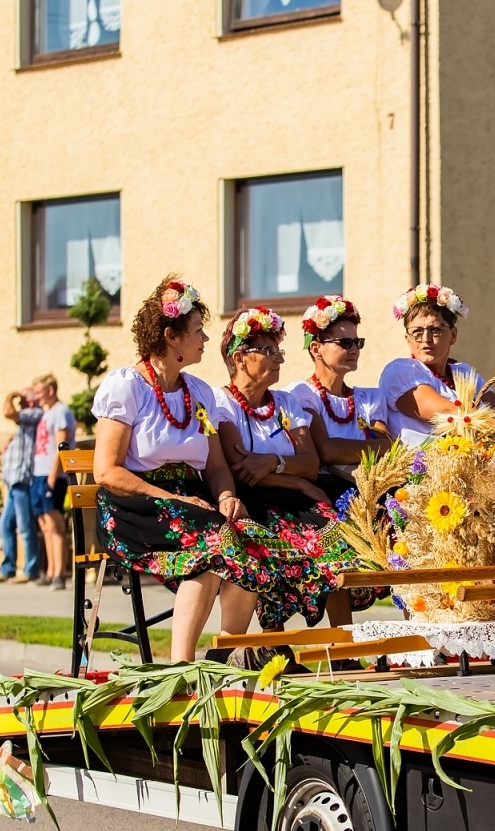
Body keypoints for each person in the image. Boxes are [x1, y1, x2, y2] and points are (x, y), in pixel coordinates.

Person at [90, 275, 311, 664]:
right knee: (212, 548)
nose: (205, 340)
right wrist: (173, 497)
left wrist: (227, 496)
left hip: (191, 503)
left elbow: (215, 466)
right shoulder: (127, 387)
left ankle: (228, 651)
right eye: (197, 331)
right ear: (171, 337)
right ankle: (181, 666)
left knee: (249, 538)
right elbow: (106, 472)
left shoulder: (200, 393)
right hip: (136, 504)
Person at [212, 305, 355, 631]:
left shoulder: (286, 405)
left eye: (279, 350)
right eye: (268, 351)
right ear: (240, 358)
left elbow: (309, 462)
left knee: (336, 539)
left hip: (292, 501)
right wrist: (302, 484)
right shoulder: (222, 404)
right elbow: (241, 471)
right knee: (268, 544)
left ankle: (343, 643)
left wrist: (272, 462)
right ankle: (271, 643)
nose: (279, 359)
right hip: (257, 502)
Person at [378, 283, 495, 444]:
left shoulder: (463, 373)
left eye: (435, 329)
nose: (426, 339)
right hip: (422, 466)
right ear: (408, 339)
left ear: (453, 335)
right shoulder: (401, 371)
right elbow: (453, 413)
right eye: (417, 332)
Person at [282, 295, 391, 496]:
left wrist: (344, 450)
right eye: (345, 342)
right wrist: (372, 448)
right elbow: (326, 450)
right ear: (316, 349)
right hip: (325, 491)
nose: (355, 349)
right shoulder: (301, 394)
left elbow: (388, 444)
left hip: (371, 489)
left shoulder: (370, 398)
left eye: (358, 342)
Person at [0, 383, 44, 583]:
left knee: (25, 526)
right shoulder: (24, 423)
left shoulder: (35, 413)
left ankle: (31, 569)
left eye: (23, 398)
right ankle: (8, 568)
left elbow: (8, 412)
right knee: (5, 525)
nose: (20, 402)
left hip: (22, 479)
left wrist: (11, 394)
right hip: (13, 481)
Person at [31, 373, 78, 590]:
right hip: (39, 474)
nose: (37, 397)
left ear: (50, 390)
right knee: (45, 524)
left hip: (53, 476)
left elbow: (62, 447)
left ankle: (60, 574)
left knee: (55, 524)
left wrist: (53, 475)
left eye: (40, 392)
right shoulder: (47, 414)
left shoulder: (61, 412)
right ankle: (50, 571)